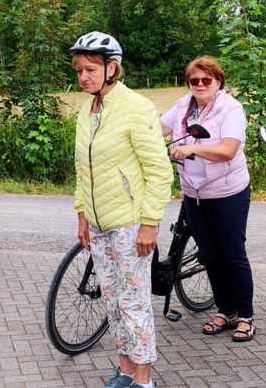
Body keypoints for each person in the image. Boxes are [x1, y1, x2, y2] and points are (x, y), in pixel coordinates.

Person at [70, 31, 172, 388]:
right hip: (98, 225)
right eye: (79, 70)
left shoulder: (136, 107)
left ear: (112, 68)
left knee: (134, 304)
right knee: (112, 302)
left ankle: (144, 381)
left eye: (91, 69)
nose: (83, 76)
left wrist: (150, 224)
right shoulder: (87, 111)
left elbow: (160, 171)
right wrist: (82, 215)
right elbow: (83, 169)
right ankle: (126, 371)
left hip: (130, 225)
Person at [159, 56, 254, 342]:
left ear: (218, 82)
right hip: (194, 193)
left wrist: (192, 150)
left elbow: (227, 150)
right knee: (210, 254)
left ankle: (246, 316)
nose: (199, 85)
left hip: (228, 192)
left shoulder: (231, 109)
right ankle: (225, 311)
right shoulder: (182, 108)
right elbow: (154, 129)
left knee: (232, 253)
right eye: (194, 81)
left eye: (206, 80)